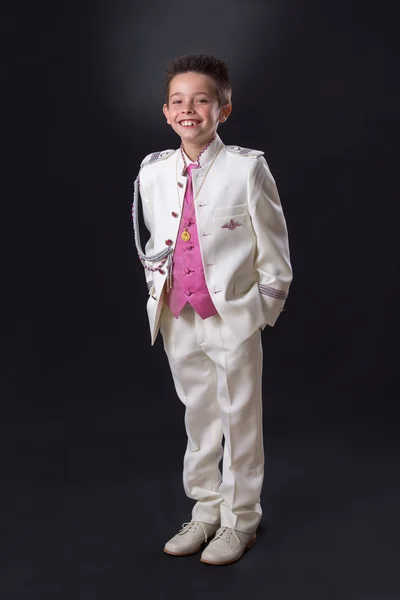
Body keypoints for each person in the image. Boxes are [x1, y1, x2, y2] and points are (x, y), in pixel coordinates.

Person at [132, 53, 293, 565]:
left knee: (239, 416)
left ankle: (239, 518)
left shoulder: (248, 168)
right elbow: (155, 242)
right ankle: (205, 510)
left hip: (232, 315)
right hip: (177, 313)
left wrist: (260, 312)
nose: (188, 109)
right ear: (165, 112)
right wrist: (159, 290)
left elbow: (275, 252)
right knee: (198, 414)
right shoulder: (152, 171)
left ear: (223, 109)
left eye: (201, 100)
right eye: (178, 101)